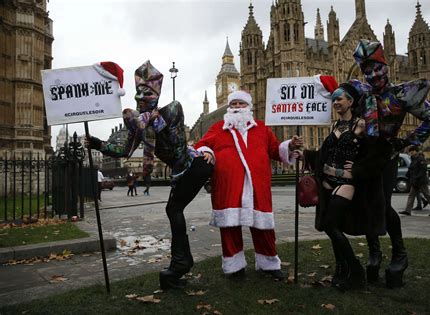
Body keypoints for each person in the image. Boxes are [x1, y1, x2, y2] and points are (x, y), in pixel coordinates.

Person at [87, 60, 213, 290]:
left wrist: (156, 121)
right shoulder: (140, 125)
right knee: (173, 210)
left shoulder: (173, 109)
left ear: (156, 94)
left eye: (146, 93)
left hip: (194, 166)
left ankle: (180, 264)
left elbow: (177, 143)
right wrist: (96, 143)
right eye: (138, 93)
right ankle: (181, 263)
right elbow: (124, 150)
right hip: (182, 171)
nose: (140, 98)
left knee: (174, 209)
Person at [350, 39, 430, 288]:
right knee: (368, 205)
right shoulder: (363, 96)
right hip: (364, 158)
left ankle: (400, 253)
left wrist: (406, 142)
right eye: (367, 70)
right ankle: (375, 252)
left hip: (386, 157)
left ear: (386, 67)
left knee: (383, 205)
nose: (373, 74)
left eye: (377, 68)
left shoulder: (400, 94)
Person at [194, 90, 303, 280]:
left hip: (256, 185)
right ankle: (234, 266)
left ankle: (268, 263)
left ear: (248, 107)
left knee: (263, 227)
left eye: (240, 104)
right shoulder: (219, 127)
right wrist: (207, 152)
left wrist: (290, 147)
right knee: (230, 226)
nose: (237, 107)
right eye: (233, 104)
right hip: (228, 185)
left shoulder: (261, 128)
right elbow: (201, 145)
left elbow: (275, 150)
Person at [304, 83, 390, 290]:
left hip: (346, 183)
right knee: (333, 226)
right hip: (328, 182)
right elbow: (326, 154)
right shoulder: (335, 126)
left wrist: (359, 168)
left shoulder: (361, 124)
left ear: (350, 101)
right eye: (333, 100)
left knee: (329, 225)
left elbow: (378, 153)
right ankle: (342, 268)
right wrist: (305, 154)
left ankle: (355, 269)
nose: (335, 103)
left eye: (339, 99)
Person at [399, 146, 430, 217]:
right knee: (411, 195)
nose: (410, 153)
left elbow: (423, 170)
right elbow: (412, 168)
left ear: (415, 151)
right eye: (410, 152)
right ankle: (407, 210)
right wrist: (409, 174)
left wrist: (416, 177)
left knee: (427, 195)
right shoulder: (414, 158)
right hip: (415, 181)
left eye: (411, 151)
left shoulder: (420, 158)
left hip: (421, 181)